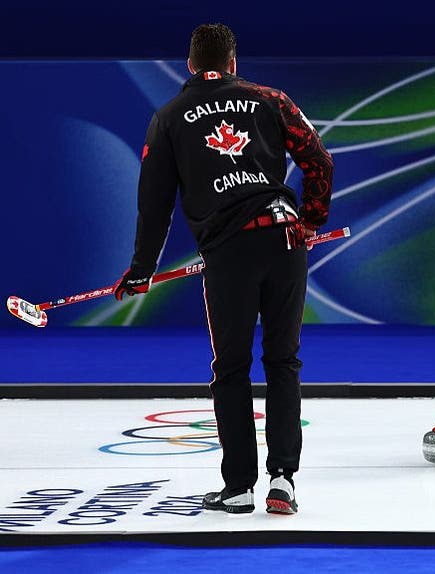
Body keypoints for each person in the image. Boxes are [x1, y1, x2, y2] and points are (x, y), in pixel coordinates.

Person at [115, 23, 333, 514]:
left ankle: (238, 489)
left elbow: (154, 203)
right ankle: (283, 483)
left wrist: (142, 268)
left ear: (190, 65)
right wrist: (311, 221)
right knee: (283, 362)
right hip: (283, 237)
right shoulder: (270, 98)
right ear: (233, 64)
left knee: (231, 369)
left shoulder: (168, 116)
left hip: (229, 251)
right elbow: (319, 160)